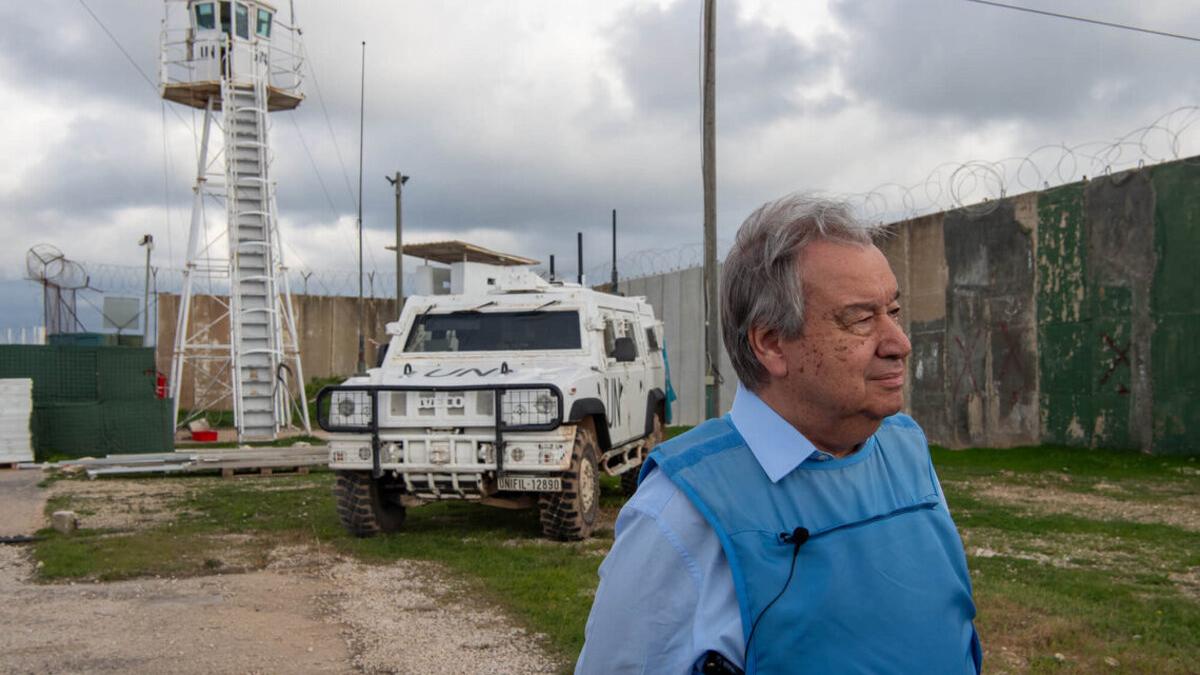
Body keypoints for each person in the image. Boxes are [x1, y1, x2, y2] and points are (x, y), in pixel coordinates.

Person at [576, 195, 981, 674]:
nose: (899, 343)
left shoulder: (907, 451)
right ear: (770, 344)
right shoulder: (678, 518)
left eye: (892, 310)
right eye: (861, 318)